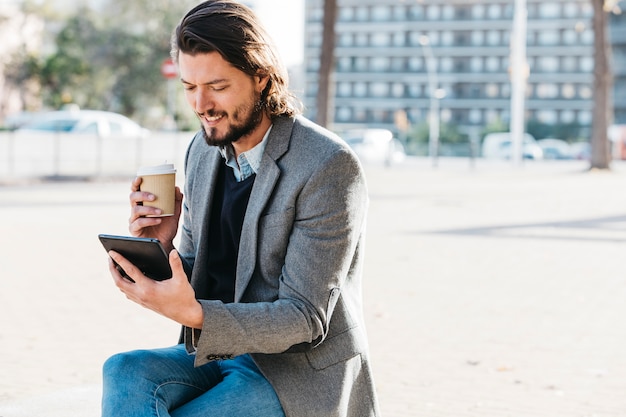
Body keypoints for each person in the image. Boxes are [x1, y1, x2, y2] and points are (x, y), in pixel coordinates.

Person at [101, 1, 380, 416]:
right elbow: (197, 275)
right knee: (124, 369)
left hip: (296, 370)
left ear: (261, 77)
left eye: (218, 85)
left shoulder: (327, 165)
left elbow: (305, 318)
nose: (201, 104)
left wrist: (195, 315)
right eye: (190, 87)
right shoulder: (202, 151)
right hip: (220, 352)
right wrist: (162, 247)